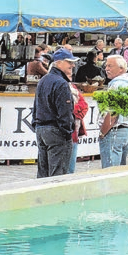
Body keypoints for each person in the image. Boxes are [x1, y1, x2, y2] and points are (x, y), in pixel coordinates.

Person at [32, 48, 76, 177]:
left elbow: (36, 106)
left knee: (43, 173)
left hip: (42, 128)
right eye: (69, 62)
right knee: (58, 175)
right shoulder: (61, 83)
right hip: (55, 130)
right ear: (59, 63)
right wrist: (67, 132)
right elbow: (65, 113)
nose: (72, 65)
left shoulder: (44, 80)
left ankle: (41, 196)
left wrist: (36, 125)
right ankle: (56, 197)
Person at [100, 55, 128, 167]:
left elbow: (112, 113)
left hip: (115, 131)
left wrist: (103, 132)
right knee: (119, 174)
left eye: (110, 66)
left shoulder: (117, 85)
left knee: (109, 174)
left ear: (121, 68)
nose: (106, 69)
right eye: (106, 65)